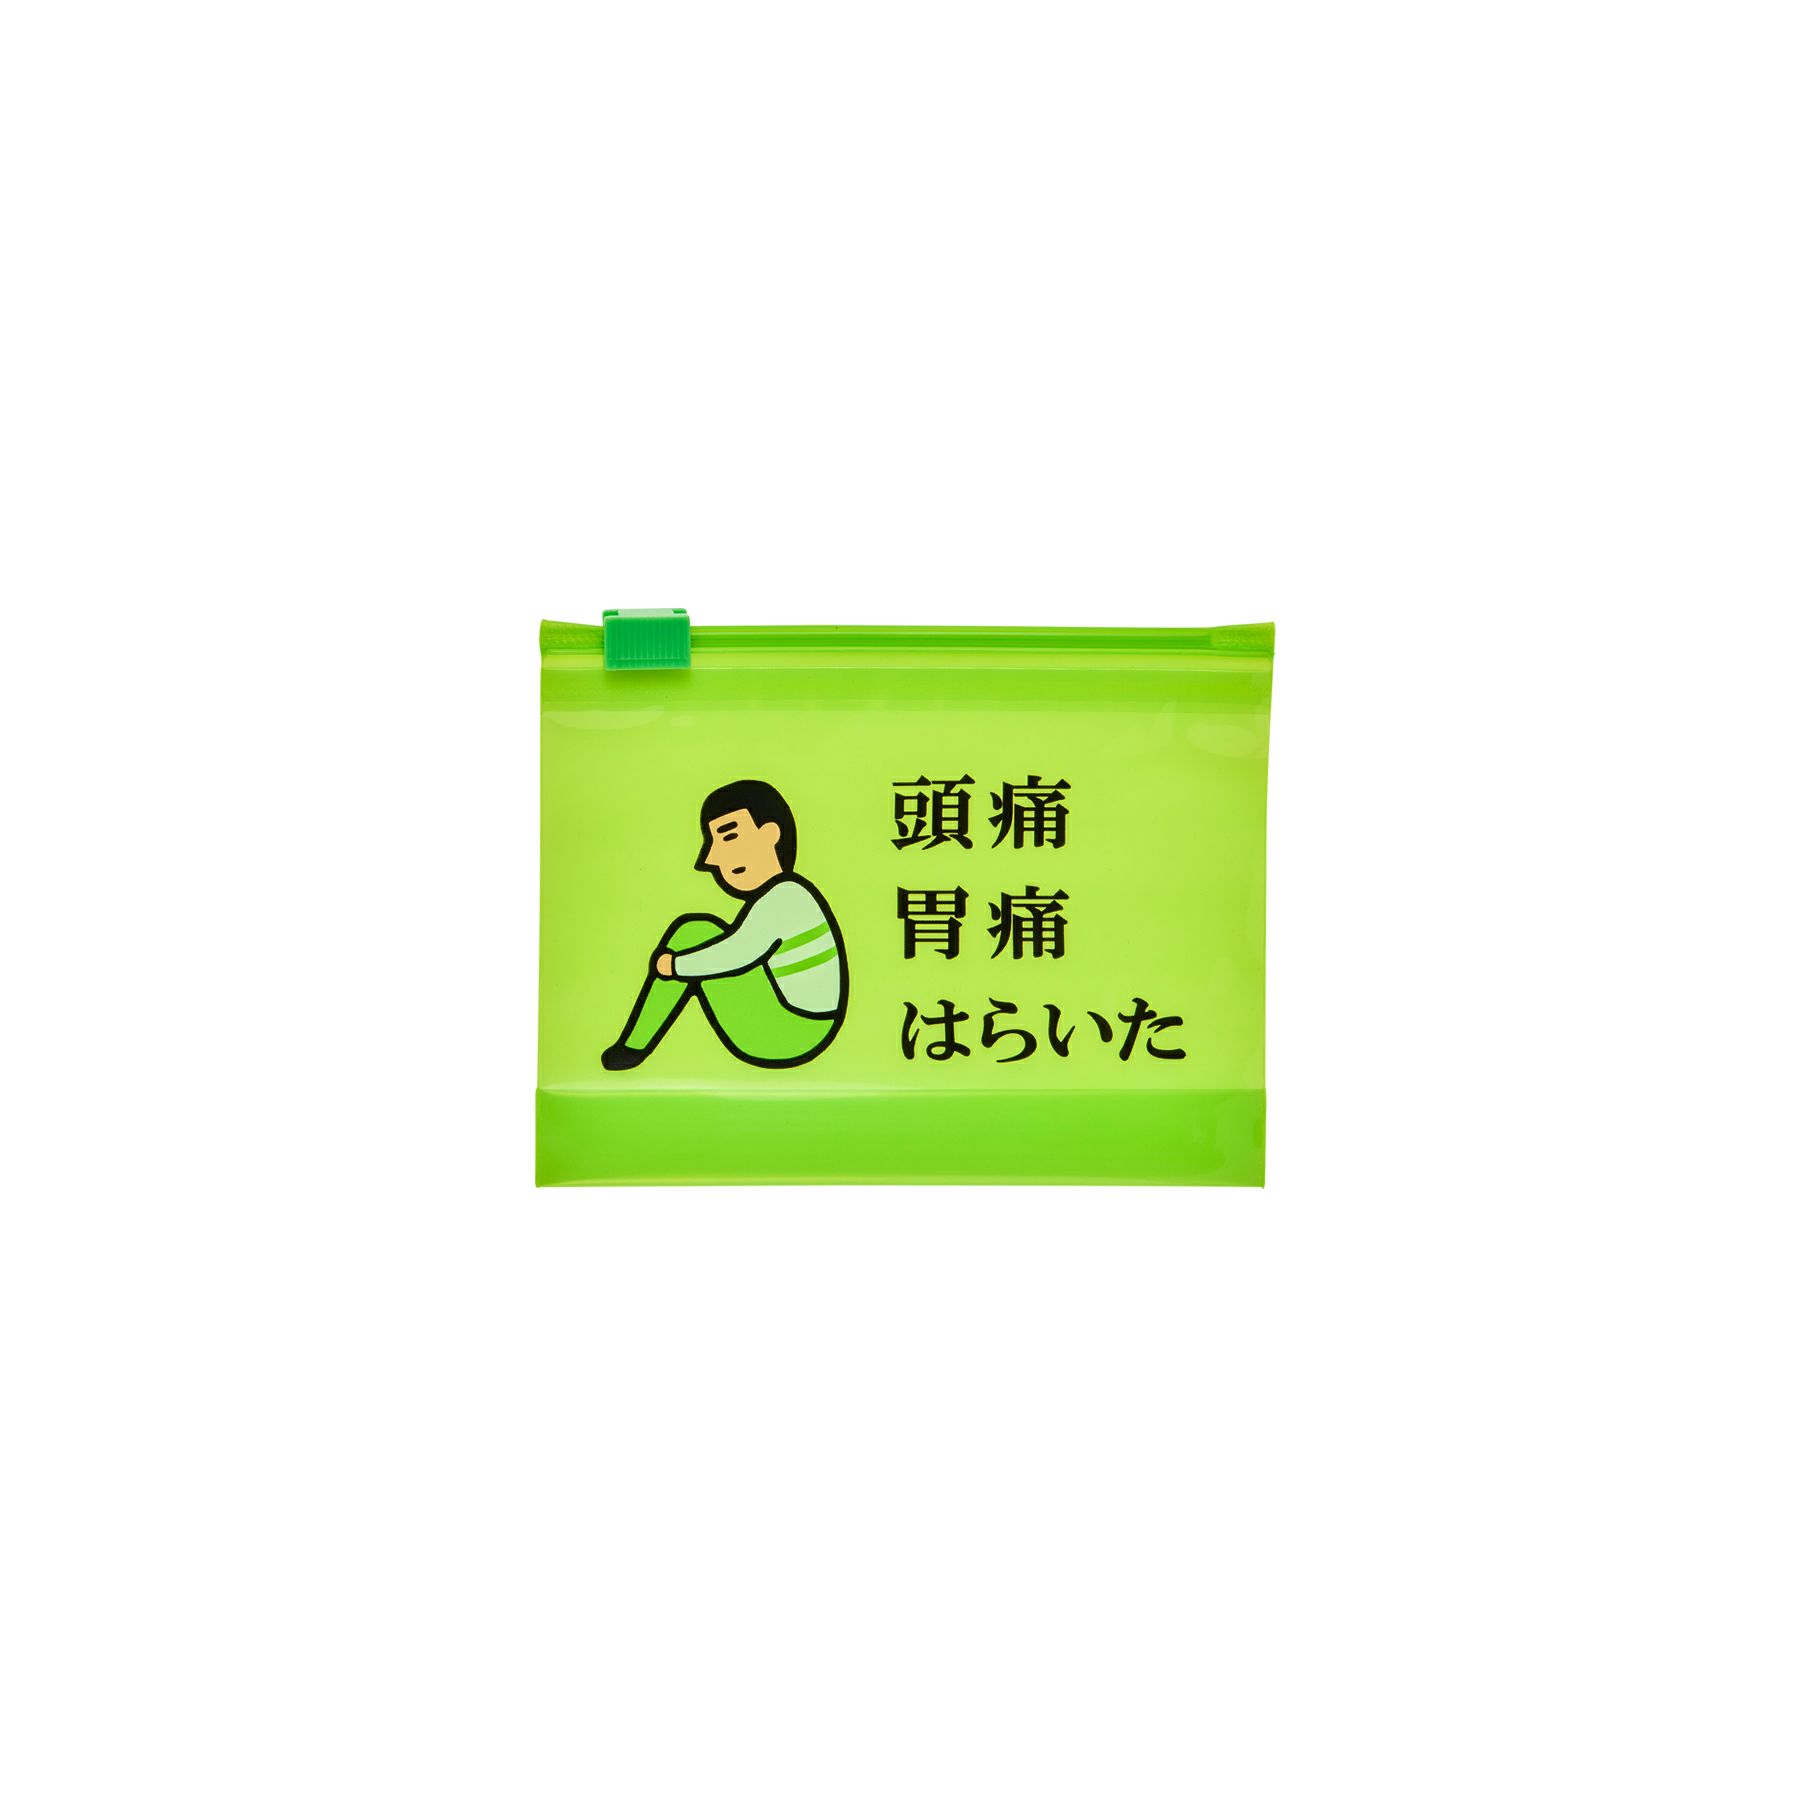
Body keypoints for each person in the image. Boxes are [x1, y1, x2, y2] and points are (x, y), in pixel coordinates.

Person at [601, 779, 847, 1071]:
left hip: (795, 1031)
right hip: (802, 1024)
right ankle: (634, 1045)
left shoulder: (785, 896)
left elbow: (738, 952)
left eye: (729, 837)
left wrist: (674, 966)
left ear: (770, 834)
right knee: (696, 933)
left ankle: (634, 1046)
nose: (711, 858)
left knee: (692, 933)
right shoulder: (788, 893)